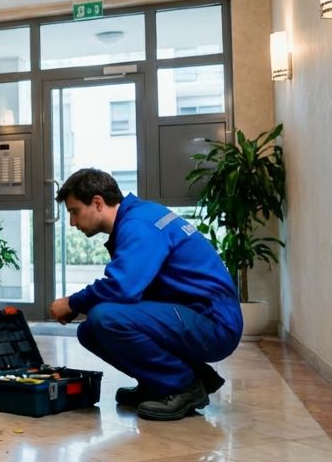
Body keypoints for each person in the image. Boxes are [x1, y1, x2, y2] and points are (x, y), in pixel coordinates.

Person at [48, 168, 242, 421]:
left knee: (105, 318)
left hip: (213, 323)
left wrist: (73, 302)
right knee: (90, 331)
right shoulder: (139, 216)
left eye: (74, 212)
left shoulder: (138, 225)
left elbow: (122, 288)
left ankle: (182, 385)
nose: (72, 223)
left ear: (97, 202)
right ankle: (160, 383)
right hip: (193, 314)